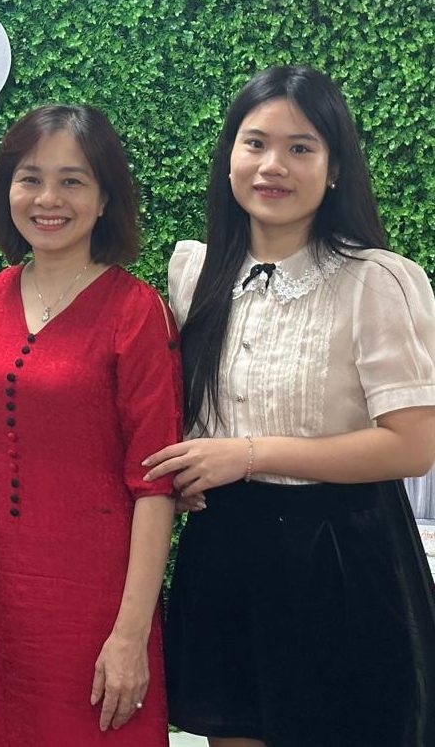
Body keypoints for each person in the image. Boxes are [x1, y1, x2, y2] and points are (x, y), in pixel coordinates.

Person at [143, 65, 435, 747]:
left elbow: (413, 444)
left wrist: (247, 455)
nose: (273, 166)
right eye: (255, 143)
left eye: (301, 148)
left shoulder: (377, 280)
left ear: (334, 170)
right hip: (225, 551)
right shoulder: (195, 273)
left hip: (342, 556)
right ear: (229, 158)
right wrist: (184, 474)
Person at [0, 104, 180, 746]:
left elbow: (155, 485)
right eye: (30, 178)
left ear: (105, 198)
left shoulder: (136, 310)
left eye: (72, 181)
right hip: (0, 597)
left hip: (97, 601)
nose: (48, 199)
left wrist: (131, 634)